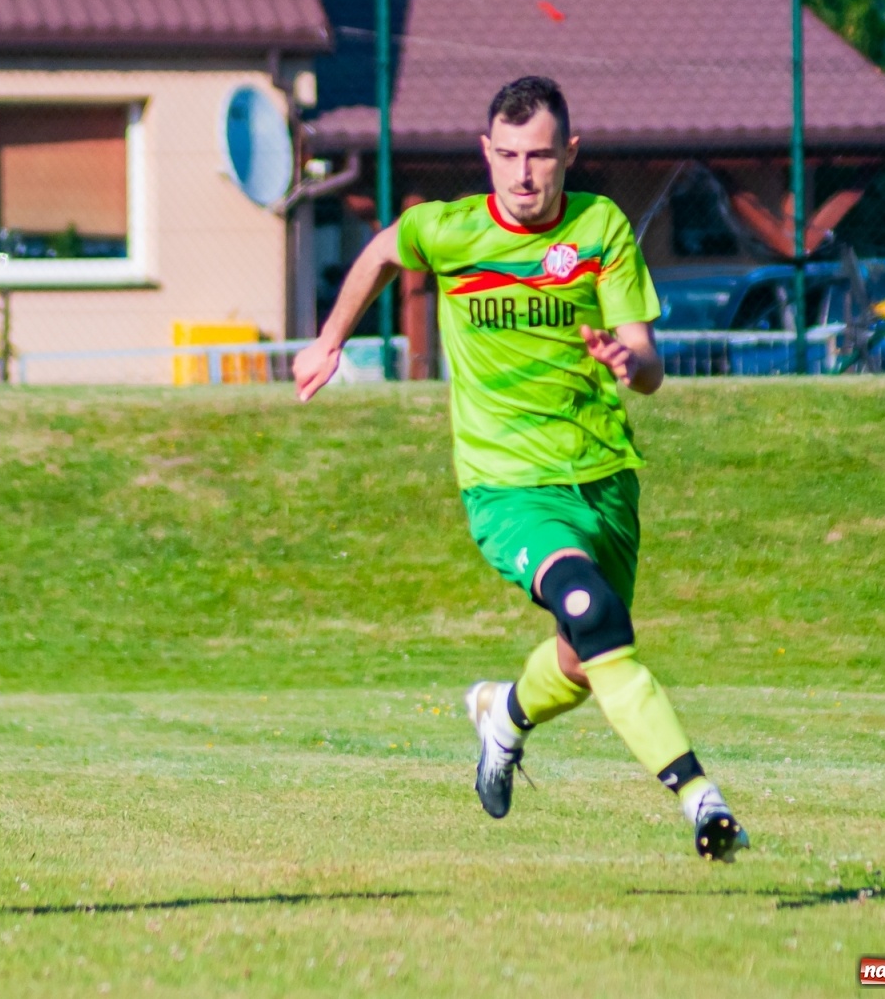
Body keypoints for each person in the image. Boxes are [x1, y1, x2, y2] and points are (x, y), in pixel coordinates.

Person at [292, 76, 748, 862]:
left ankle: (503, 715)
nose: (522, 174)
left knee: (584, 656)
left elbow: (648, 364)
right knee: (594, 613)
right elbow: (380, 251)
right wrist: (331, 339)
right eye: (506, 156)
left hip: (603, 478)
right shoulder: (452, 230)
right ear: (486, 152)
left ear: (570, 153)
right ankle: (702, 801)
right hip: (507, 487)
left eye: (539, 155)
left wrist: (626, 362)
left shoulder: (599, 227)